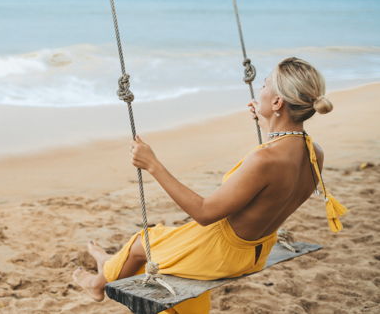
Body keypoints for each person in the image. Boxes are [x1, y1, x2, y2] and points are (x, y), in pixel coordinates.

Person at [71, 57, 347, 314]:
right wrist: (267, 121)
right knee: (158, 242)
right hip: (256, 250)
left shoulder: (264, 159)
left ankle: (99, 281)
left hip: (223, 254)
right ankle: (107, 264)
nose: (259, 89)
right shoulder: (313, 151)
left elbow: (204, 212)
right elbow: (276, 180)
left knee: (141, 243)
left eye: (263, 85)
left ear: (277, 103)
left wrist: (153, 164)